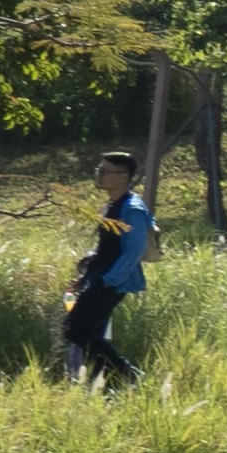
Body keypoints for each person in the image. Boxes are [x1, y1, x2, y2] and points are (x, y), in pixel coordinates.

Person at [59, 153, 157, 389]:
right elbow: (105, 248)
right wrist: (85, 277)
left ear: (123, 177)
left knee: (75, 329)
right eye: (99, 169)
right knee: (89, 332)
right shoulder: (112, 205)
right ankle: (112, 382)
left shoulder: (131, 208)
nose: (99, 175)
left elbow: (135, 250)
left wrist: (108, 280)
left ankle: (128, 372)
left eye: (106, 171)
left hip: (112, 281)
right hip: (99, 278)